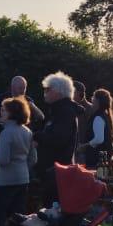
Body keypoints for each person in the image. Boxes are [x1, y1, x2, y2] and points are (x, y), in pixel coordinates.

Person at [0, 96, 35, 226]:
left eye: (4, 110)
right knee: (20, 219)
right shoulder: (27, 131)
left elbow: (3, 160)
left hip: (6, 180)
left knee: (0, 220)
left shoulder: (6, 133)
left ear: (11, 113)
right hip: (23, 178)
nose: (1, 112)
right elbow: (33, 158)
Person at [35, 72, 84, 205]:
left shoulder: (65, 112)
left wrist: (37, 136)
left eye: (48, 89)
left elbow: (58, 139)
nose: (45, 92)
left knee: (52, 210)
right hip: (53, 171)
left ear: (58, 92)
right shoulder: (59, 110)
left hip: (57, 172)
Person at [0, 75, 44, 147]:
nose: (23, 91)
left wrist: (32, 106)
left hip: (23, 142)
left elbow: (41, 117)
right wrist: (3, 119)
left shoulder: (28, 100)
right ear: (12, 88)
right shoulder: (0, 99)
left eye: (24, 88)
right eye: (20, 88)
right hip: (1, 140)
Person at [82, 88, 113, 167]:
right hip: (105, 159)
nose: (92, 99)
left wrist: (83, 146)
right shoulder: (105, 115)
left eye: (93, 97)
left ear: (97, 101)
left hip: (97, 160)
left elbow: (99, 139)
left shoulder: (98, 117)